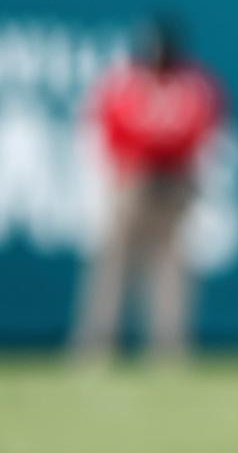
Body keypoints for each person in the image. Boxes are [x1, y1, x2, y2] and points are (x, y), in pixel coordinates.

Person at [70, 19, 224, 364]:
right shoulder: (127, 83)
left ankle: (168, 349)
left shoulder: (191, 86)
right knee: (113, 265)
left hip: (174, 182)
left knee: (171, 267)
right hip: (133, 179)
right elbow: (109, 127)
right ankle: (96, 346)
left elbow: (201, 130)